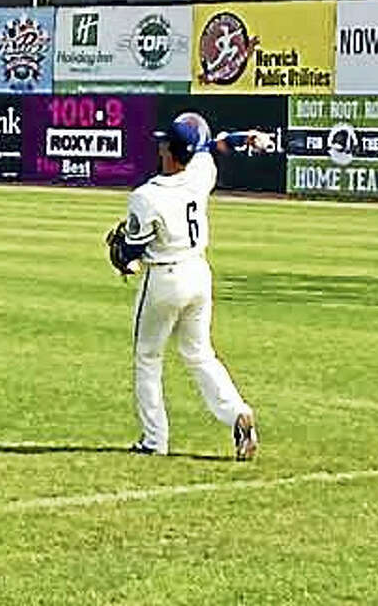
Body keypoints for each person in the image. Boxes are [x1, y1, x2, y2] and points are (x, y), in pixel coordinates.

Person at [111, 112, 272, 460]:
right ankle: (236, 413)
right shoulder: (201, 173)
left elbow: (134, 249)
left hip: (164, 278)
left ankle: (155, 440)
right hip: (198, 273)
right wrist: (248, 136)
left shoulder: (146, 195)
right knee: (199, 354)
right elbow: (219, 143)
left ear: (168, 151)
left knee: (148, 358)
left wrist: (121, 253)